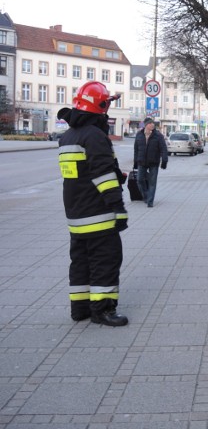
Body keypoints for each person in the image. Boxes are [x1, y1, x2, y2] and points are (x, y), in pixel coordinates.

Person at [58, 81, 129, 326]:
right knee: (105, 260)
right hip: (98, 213)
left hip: (76, 214)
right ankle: (102, 310)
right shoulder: (95, 136)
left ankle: (80, 309)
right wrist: (118, 208)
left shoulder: (69, 135)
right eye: (106, 104)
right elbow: (102, 176)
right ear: (99, 107)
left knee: (80, 262)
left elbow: (80, 173)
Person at [133, 117, 168, 208]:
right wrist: (135, 161)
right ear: (146, 125)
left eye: (153, 123)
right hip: (142, 162)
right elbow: (136, 149)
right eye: (150, 123)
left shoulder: (158, 135)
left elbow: (163, 149)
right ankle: (146, 196)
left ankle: (150, 201)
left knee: (152, 182)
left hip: (154, 162)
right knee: (139, 180)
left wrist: (164, 160)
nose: (152, 124)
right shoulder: (139, 135)